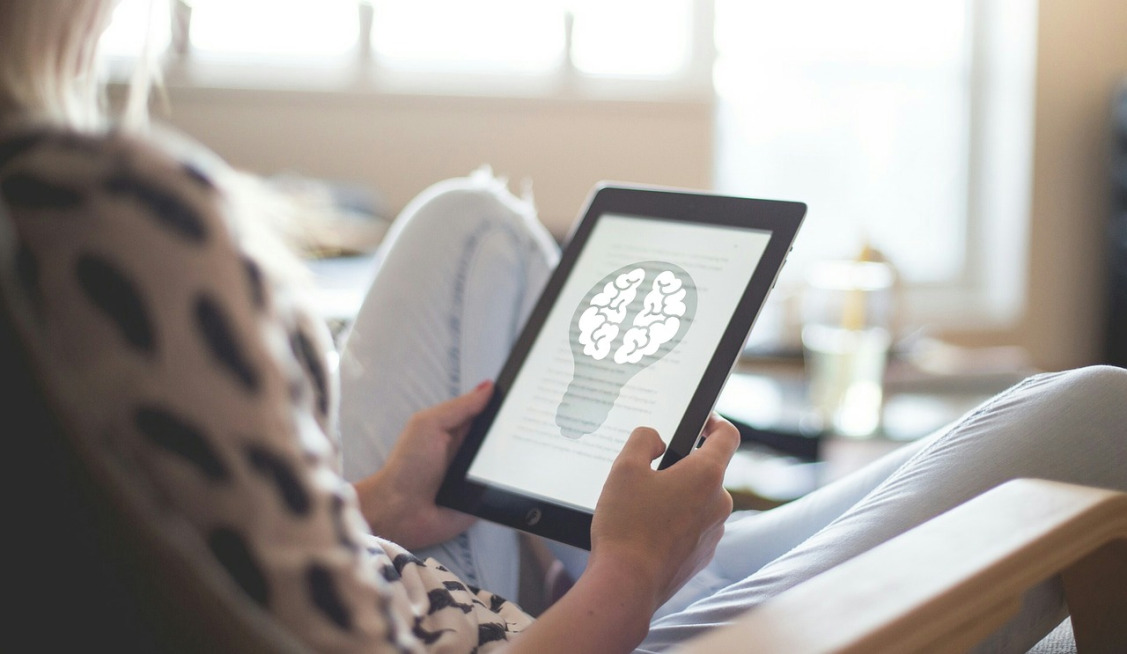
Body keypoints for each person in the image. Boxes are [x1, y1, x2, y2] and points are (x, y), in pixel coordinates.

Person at [1, 1, 1124, 652]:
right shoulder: (94, 220)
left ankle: (628, 546)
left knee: (472, 225)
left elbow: (232, 562)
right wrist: (621, 585)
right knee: (1098, 415)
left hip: (428, 578)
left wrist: (384, 503)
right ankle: (653, 560)